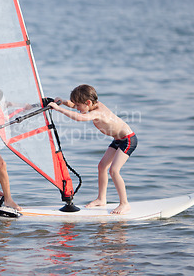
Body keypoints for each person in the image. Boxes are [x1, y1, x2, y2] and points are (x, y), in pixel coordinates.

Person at [48, 84, 137, 214]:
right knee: (102, 167)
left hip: (128, 140)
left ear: (88, 102)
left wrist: (58, 109)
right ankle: (101, 199)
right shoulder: (91, 105)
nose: (77, 108)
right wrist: (62, 102)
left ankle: (124, 203)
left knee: (114, 170)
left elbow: (80, 117)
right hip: (118, 140)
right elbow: (74, 106)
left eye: (78, 105)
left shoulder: (98, 113)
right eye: (76, 105)